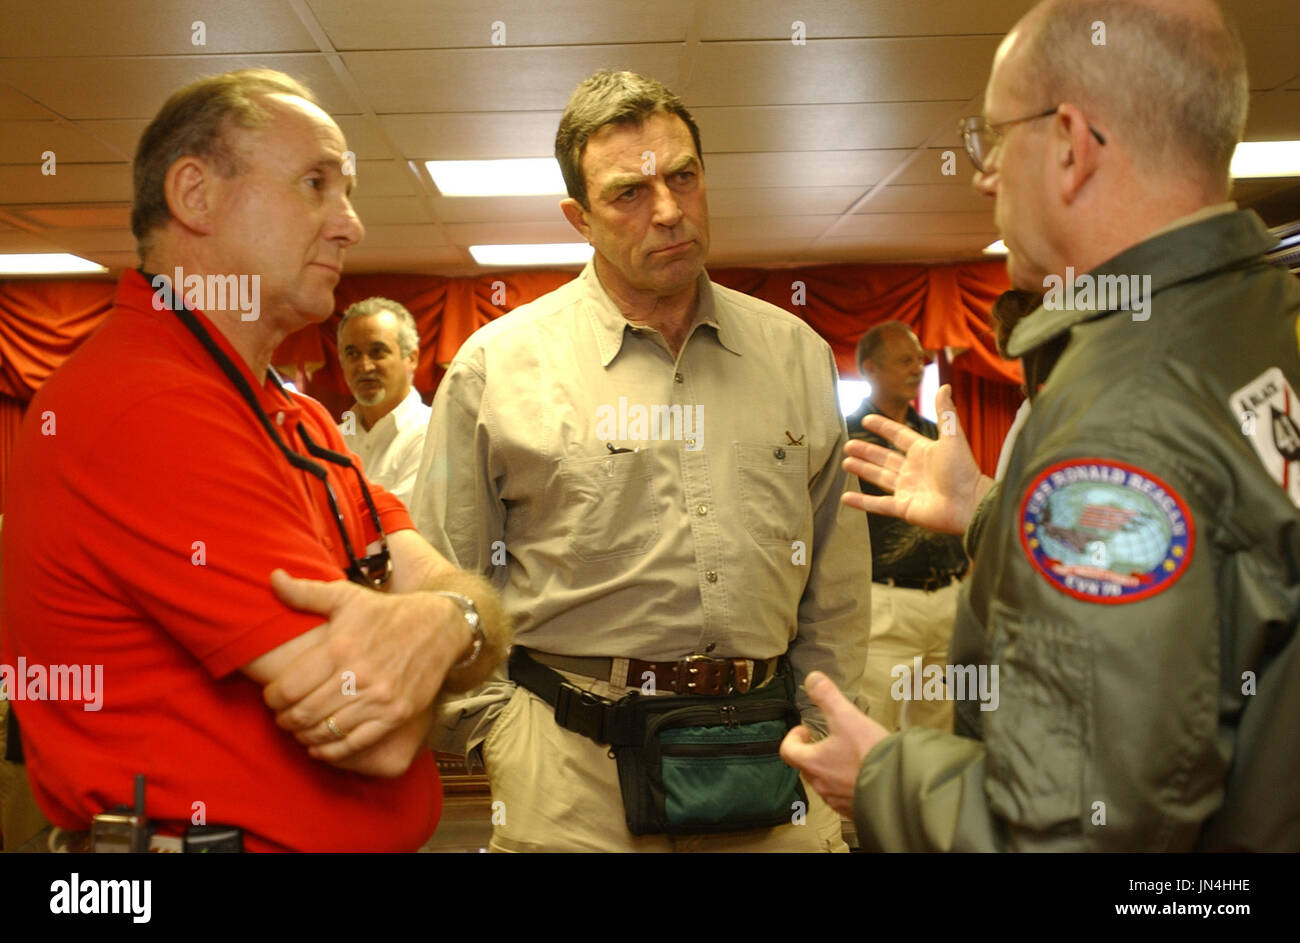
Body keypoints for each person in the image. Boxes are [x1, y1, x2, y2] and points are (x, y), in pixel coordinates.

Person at [781, 0, 1300, 852]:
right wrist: (993, 509)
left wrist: (884, 778)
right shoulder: (1257, 315)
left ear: (1069, 144)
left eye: (992, 138)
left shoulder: (1121, 420)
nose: (982, 175)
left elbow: (1071, 835)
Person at [0, 69, 508, 853]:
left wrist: (450, 618)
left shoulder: (297, 416)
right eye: (317, 184)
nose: (351, 225)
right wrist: (446, 629)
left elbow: (458, 601)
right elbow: (370, 728)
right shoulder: (142, 405)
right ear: (194, 194)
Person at [412, 69, 868, 852]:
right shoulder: (499, 367)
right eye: (628, 193)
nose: (668, 212)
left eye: (684, 178)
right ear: (578, 218)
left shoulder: (795, 354)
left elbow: (835, 572)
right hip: (572, 767)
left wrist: (824, 719)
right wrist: (497, 735)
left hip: (767, 751)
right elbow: (444, 573)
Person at [846, 322, 967, 732]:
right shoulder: (844, 437)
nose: (917, 368)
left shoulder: (935, 436)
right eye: (904, 360)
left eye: (919, 359)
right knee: (874, 727)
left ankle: (926, 798)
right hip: (884, 604)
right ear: (870, 368)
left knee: (936, 730)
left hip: (947, 600)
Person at [336, 297, 431, 508]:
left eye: (377, 352)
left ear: (412, 358)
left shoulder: (432, 432)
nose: (365, 366)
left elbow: (395, 525)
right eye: (352, 354)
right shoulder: (331, 440)